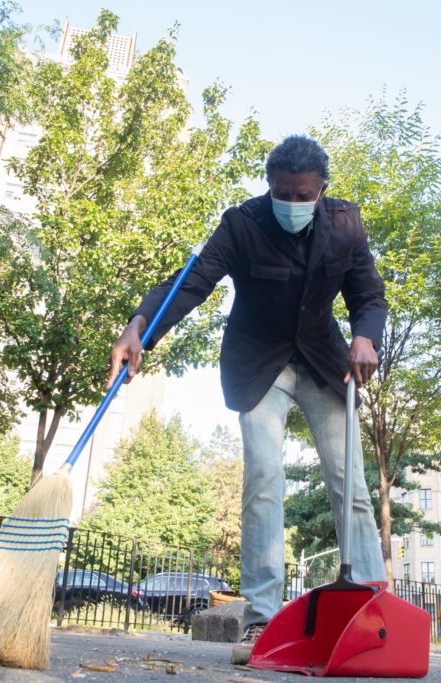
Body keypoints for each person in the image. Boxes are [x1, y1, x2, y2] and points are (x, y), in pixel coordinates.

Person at [107, 135, 387, 664]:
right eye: (284, 193)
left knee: (349, 481)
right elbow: (189, 284)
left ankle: (371, 617)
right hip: (259, 364)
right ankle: (261, 621)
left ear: (322, 190)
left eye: (304, 195)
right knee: (264, 476)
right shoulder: (241, 224)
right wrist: (138, 327)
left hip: (324, 363)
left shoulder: (346, 224)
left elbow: (368, 295)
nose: (294, 204)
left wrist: (365, 336)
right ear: (270, 185)